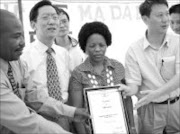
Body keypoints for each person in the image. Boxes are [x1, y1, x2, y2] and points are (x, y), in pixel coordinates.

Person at [0, 9, 89, 134]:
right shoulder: (24, 56)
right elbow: (26, 120)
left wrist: (72, 112)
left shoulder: (17, 63)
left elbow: (35, 97)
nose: (22, 43)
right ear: (34, 24)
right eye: (16, 37)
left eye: (22, 36)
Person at [119, 0, 180, 133]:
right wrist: (128, 90)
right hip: (149, 109)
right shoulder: (134, 50)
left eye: (166, 14)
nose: (165, 20)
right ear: (145, 19)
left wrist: (156, 93)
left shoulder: (177, 42)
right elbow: (134, 84)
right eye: (159, 15)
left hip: (176, 106)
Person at [68, 21, 136, 134]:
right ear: (84, 46)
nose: (98, 49)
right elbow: (77, 113)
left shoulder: (117, 66)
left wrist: (132, 127)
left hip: (120, 129)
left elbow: (127, 99)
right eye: (92, 46)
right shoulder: (78, 73)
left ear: (107, 44)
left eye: (102, 45)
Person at [54, 7, 86, 72]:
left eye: (64, 21)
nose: (62, 25)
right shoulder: (49, 51)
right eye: (58, 22)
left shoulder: (81, 47)